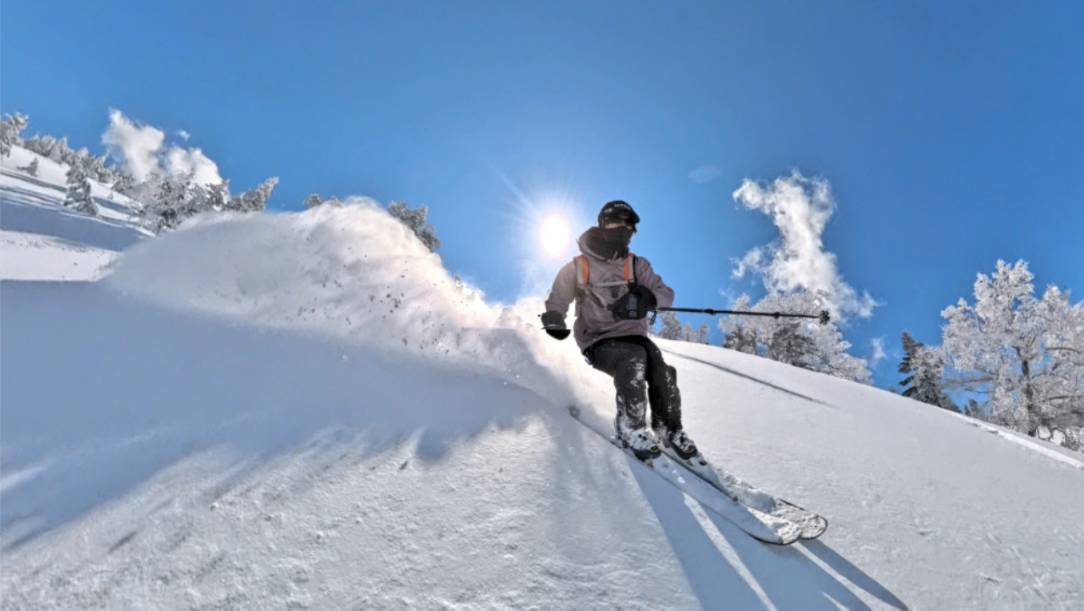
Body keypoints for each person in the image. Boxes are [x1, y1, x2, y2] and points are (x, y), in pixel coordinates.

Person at [541, 200, 699, 461]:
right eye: (616, 222)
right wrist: (554, 317)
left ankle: (669, 429)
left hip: (635, 336)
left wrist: (645, 297)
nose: (623, 228)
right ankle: (631, 427)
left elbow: (666, 294)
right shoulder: (579, 266)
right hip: (599, 339)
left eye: (628, 225)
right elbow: (558, 297)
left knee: (662, 369)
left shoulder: (636, 265)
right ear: (603, 224)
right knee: (632, 359)